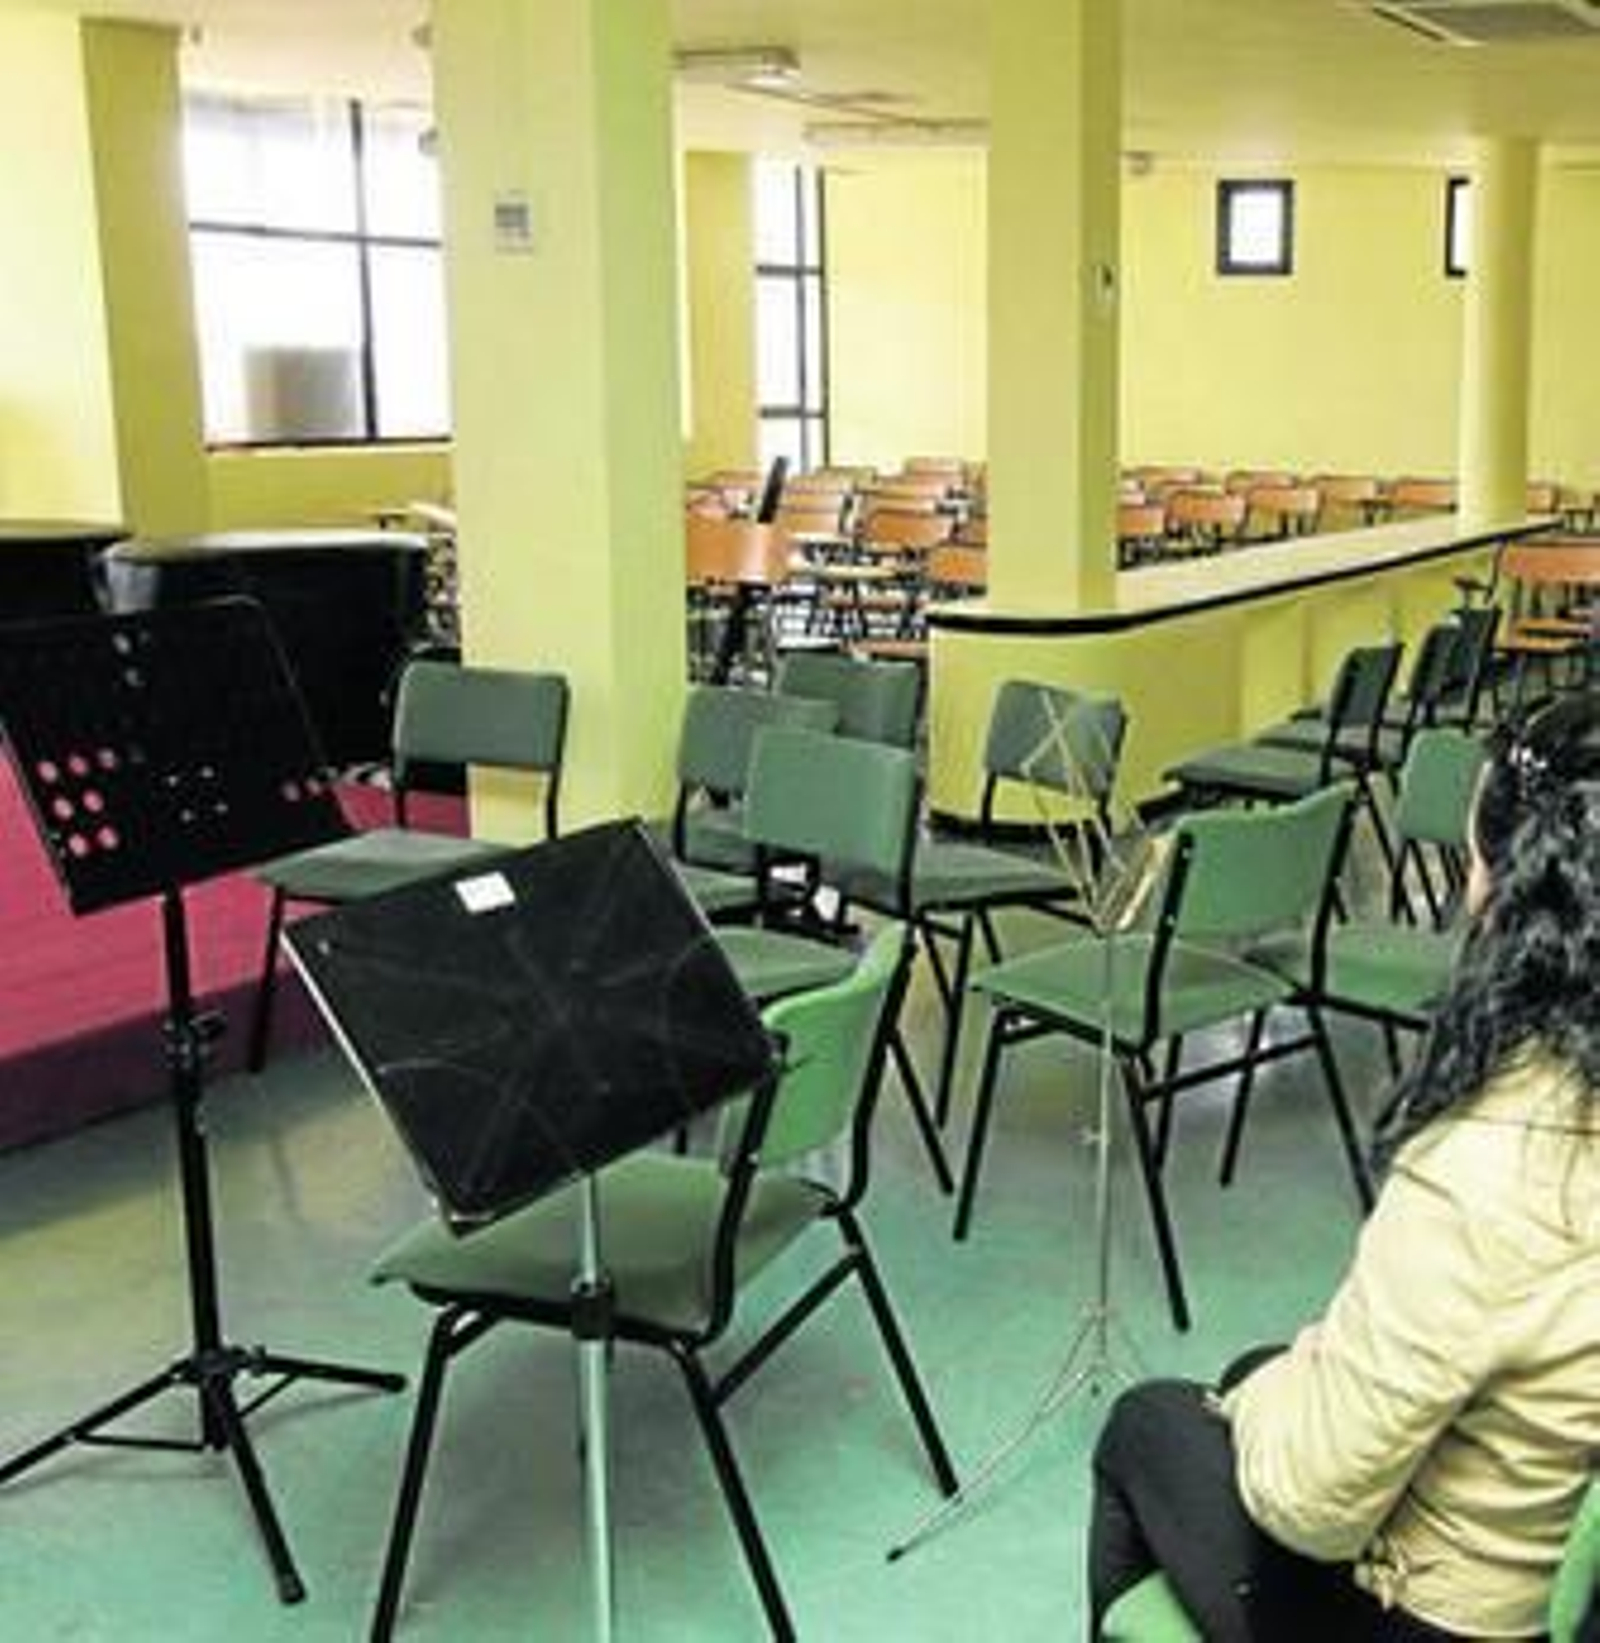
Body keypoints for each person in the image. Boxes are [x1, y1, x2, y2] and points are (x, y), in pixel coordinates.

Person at [1087, 693, 1600, 1641]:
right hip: (1547, 1519)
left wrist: (1253, 1406)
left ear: (1519, 895)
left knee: (1145, 1424)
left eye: (1475, 862)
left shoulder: (1489, 1162)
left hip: (1443, 1613)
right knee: (1257, 1366)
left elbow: (1312, 1507)